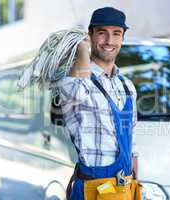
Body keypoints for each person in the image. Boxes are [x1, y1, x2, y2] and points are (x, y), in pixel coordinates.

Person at [57, 7, 139, 200]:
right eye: (102, 33)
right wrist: (82, 51)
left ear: (122, 38)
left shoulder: (127, 86)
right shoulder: (73, 79)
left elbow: (132, 142)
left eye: (116, 34)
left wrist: (136, 186)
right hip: (92, 190)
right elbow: (79, 93)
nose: (110, 41)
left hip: (124, 189)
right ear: (91, 35)